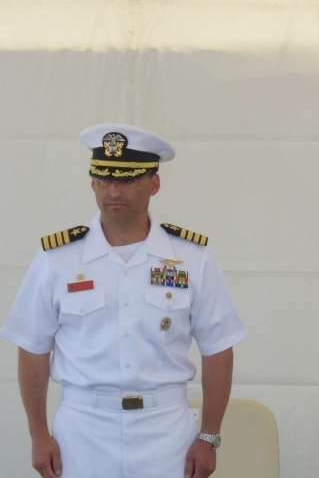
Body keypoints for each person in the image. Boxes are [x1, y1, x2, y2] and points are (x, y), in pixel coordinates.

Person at [0, 123, 247, 478]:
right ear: (92, 183)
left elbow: (219, 348)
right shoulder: (57, 259)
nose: (114, 191)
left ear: (154, 184)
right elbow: (32, 348)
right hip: (83, 431)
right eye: (104, 179)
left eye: (128, 180)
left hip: (165, 431)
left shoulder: (192, 258)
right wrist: (38, 435)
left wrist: (209, 437)